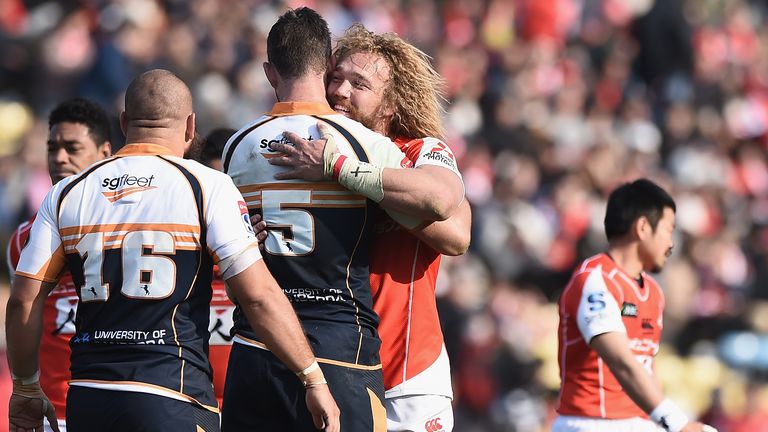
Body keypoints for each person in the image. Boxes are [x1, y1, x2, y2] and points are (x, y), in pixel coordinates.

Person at [7, 69, 339, 432]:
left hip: (89, 397)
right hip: (172, 394)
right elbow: (258, 296)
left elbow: (24, 300)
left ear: (124, 123)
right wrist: (312, 377)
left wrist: (25, 387)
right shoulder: (206, 186)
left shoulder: (67, 192)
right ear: (191, 126)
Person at [220, 8, 462, 432]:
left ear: (392, 101)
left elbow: (456, 233)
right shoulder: (307, 146)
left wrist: (344, 171)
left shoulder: (418, 151)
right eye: (336, 77)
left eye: (359, 84)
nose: (340, 91)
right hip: (332, 352)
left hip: (408, 369)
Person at [554, 179, 714, 432]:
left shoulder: (653, 292)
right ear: (642, 228)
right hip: (592, 423)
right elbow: (621, 361)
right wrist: (677, 423)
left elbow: (645, 368)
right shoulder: (596, 280)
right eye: (668, 230)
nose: (671, 244)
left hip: (637, 423)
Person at [6, 97, 113, 432]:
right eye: (52, 148)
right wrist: (25, 389)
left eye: (72, 148)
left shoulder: (131, 232)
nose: (59, 158)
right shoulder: (23, 239)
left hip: (118, 408)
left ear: (105, 153)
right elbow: (23, 317)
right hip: (54, 417)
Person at [190, 127, 238, 409]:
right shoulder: (181, 264)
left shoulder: (271, 261)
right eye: (215, 191)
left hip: (251, 411)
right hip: (191, 409)